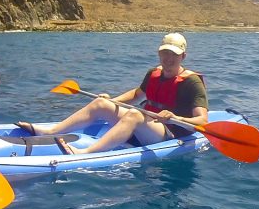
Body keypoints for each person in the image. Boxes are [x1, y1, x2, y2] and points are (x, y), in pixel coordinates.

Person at [18, 32, 208, 155]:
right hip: (148, 124)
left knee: (135, 114)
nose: (168, 58)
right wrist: (112, 101)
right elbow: (137, 94)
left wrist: (173, 116)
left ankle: (86, 154)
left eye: (174, 54)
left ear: (183, 56)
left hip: (171, 132)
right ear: (159, 53)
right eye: (165, 53)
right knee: (101, 103)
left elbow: (202, 121)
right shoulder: (154, 73)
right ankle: (51, 131)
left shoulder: (192, 82)